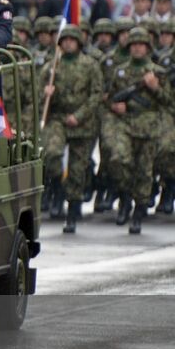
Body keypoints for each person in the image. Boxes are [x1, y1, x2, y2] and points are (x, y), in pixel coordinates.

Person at [102, 27, 170, 233]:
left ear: (148, 47)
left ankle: (139, 212)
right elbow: (108, 98)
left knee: (144, 172)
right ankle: (124, 197)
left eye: (141, 45)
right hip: (125, 123)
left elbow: (169, 101)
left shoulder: (157, 73)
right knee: (119, 159)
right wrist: (114, 106)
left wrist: (155, 87)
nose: (138, 48)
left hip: (149, 126)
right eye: (134, 45)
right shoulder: (120, 71)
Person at [41, 26, 104, 233]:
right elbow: (40, 94)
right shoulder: (52, 67)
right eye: (64, 40)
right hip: (58, 118)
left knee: (78, 169)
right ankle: (57, 188)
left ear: (79, 43)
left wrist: (79, 116)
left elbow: (96, 95)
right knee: (51, 154)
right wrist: (46, 92)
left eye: (72, 40)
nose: (68, 43)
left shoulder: (90, 65)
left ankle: (72, 212)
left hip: (82, 122)